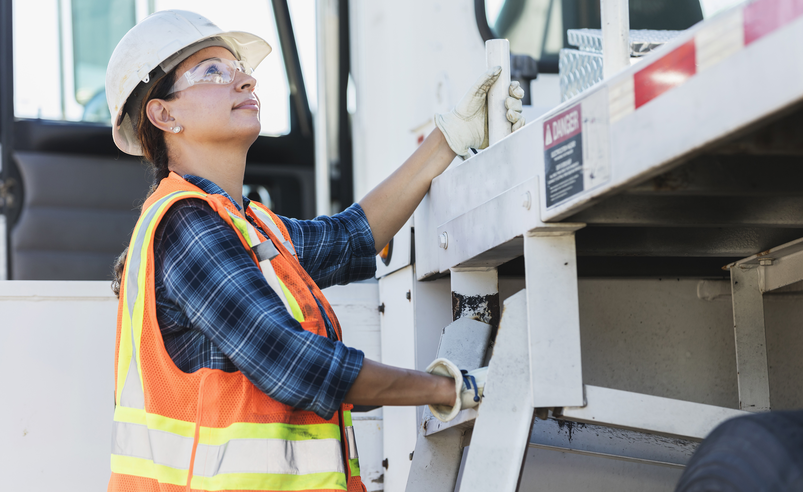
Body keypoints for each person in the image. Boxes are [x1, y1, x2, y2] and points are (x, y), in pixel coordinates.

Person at [106, 10, 525, 492]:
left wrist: (451, 135)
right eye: (212, 71)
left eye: (239, 69)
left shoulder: (247, 226)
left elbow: (352, 236)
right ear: (164, 114)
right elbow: (294, 363)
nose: (243, 80)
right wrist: (454, 389)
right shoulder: (186, 226)